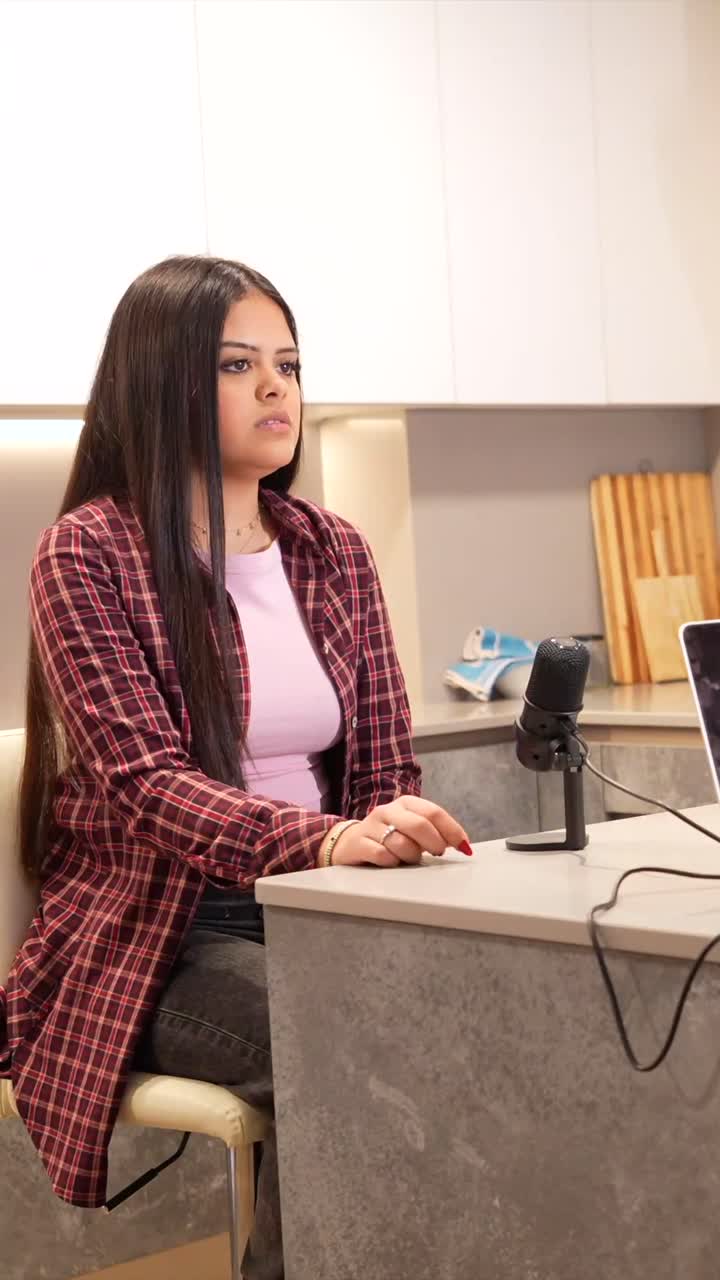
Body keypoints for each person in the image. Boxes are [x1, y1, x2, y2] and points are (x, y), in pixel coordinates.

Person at [0, 256, 470, 1279]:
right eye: (237, 364)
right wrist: (327, 838)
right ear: (161, 381)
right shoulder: (86, 553)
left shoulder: (331, 547)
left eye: (289, 364)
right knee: (342, 1046)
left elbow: (387, 759)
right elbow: (145, 781)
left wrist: (392, 831)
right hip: (164, 931)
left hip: (321, 900)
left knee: (482, 1007)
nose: (277, 388)